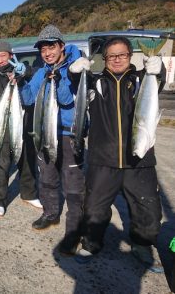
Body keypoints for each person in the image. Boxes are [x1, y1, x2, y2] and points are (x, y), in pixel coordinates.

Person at [71, 36, 163, 273]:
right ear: (105, 59)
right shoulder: (97, 82)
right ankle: (91, 243)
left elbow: (158, 83)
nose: (117, 60)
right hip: (103, 160)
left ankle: (142, 245)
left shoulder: (142, 80)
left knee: (147, 208)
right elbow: (77, 86)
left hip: (139, 160)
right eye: (112, 56)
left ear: (130, 57)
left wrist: (158, 69)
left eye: (122, 55)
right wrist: (75, 71)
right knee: (94, 207)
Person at [20, 25, 85, 255]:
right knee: (47, 178)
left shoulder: (75, 68)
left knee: (73, 187)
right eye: (43, 49)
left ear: (61, 46)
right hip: (45, 133)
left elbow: (66, 100)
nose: (47, 52)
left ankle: (74, 232)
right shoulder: (41, 72)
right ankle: (50, 213)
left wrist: (61, 78)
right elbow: (28, 98)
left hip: (68, 134)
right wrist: (22, 79)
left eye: (51, 47)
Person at [0, 41, 41, 216]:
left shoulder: (23, 70)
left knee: (27, 162)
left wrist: (23, 73)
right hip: (2, 128)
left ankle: (29, 194)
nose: (0, 60)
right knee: (1, 164)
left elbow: (38, 74)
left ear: (11, 55)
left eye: (3, 55)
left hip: (24, 125)